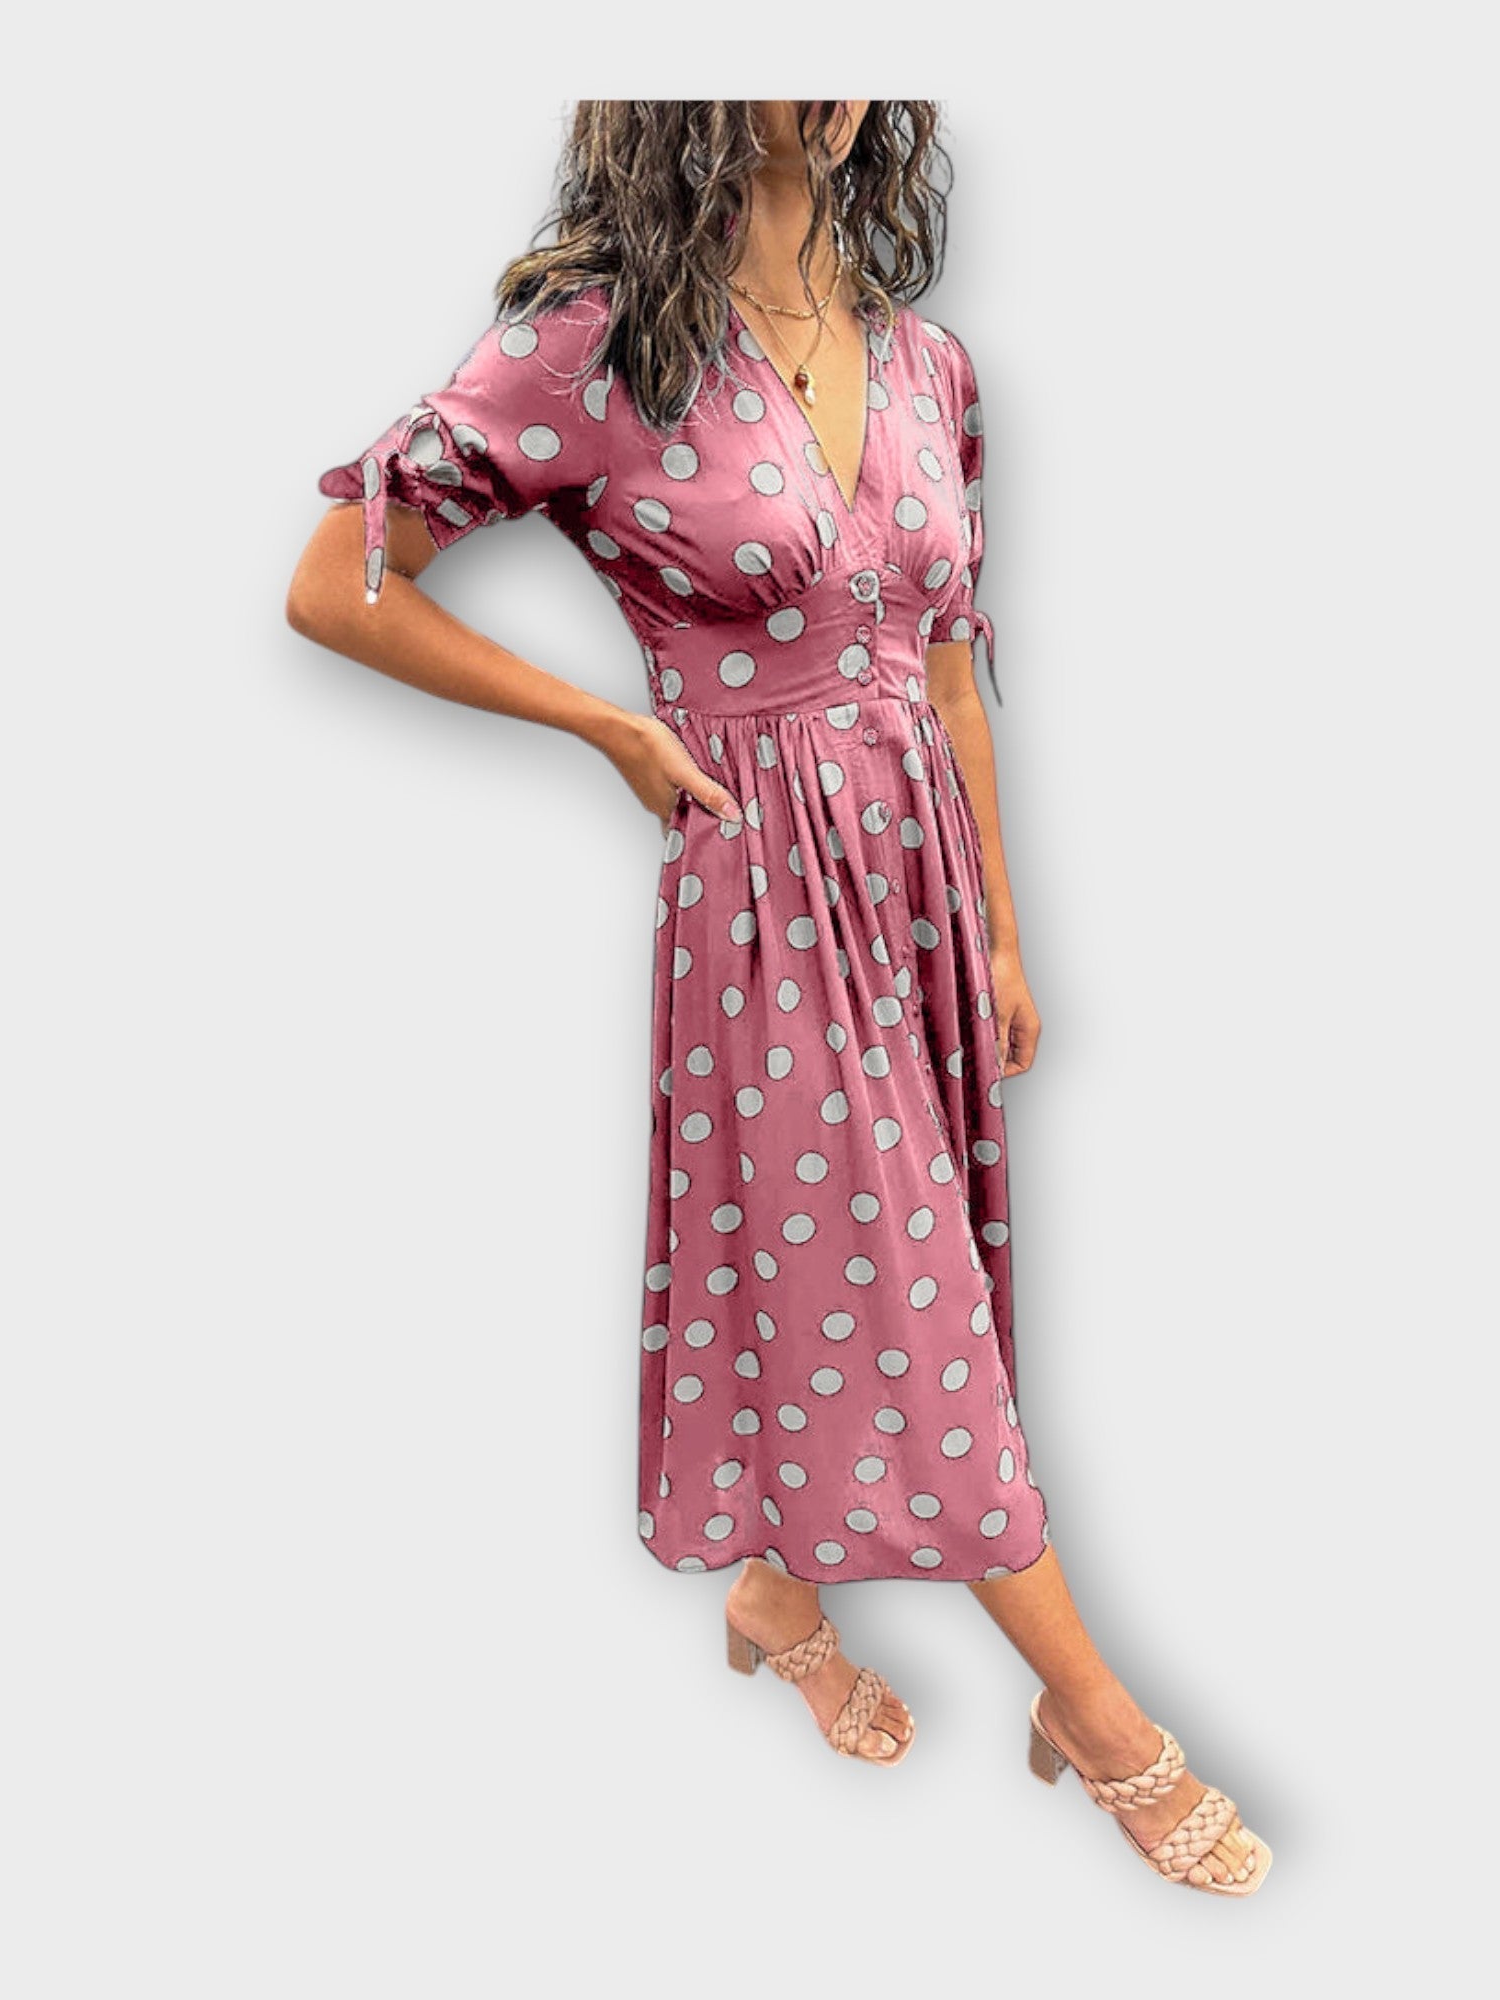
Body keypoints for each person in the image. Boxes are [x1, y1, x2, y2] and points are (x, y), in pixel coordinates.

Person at [285, 99, 1270, 1897]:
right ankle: (1098, 1718)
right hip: (767, 889)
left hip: (921, 889)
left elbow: (952, 679)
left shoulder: (931, 363)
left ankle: (773, 1591)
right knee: (906, 1296)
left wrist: (1003, 934)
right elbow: (341, 587)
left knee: (890, 1275)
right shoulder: (598, 341)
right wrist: (604, 723)